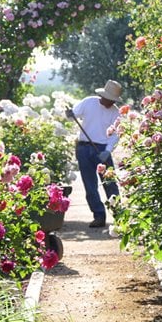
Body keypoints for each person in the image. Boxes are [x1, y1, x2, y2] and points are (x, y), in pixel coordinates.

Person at [66, 80, 122, 228]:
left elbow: (116, 135)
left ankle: (120, 216)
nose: (111, 102)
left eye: (113, 100)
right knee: (90, 185)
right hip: (84, 148)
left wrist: (107, 151)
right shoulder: (89, 102)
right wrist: (69, 114)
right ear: (103, 95)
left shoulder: (116, 112)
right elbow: (73, 114)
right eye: (109, 99)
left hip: (102, 149)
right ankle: (99, 216)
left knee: (110, 184)